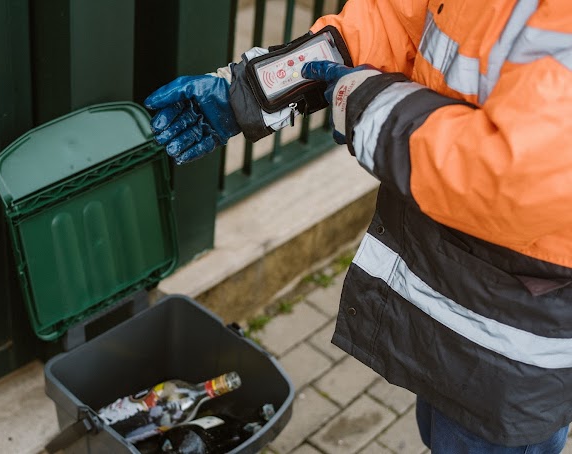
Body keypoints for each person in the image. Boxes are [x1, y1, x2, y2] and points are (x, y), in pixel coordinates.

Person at [143, 0, 572, 452]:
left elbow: (527, 178)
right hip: (454, 292)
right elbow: (396, 19)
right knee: (443, 427)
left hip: (516, 329)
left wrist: (367, 104)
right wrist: (248, 93)